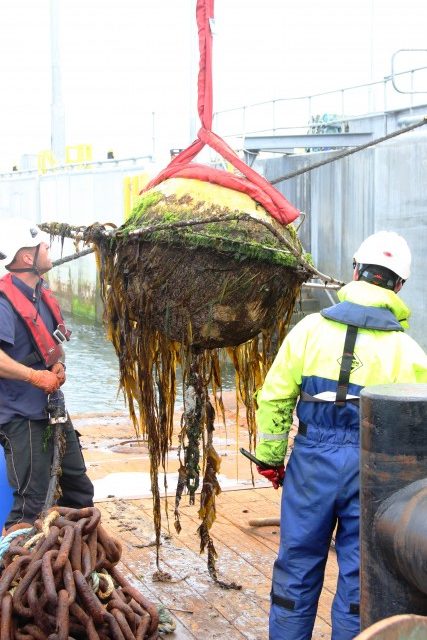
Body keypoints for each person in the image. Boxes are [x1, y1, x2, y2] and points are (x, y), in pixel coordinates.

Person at [255, 231, 427, 640]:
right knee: (361, 575)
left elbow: (275, 395)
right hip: (373, 472)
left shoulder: (309, 330)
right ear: (398, 286)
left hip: (312, 462)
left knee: (297, 566)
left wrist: (271, 459)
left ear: (355, 272)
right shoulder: (409, 352)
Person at [0, 218, 94, 531]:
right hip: (21, 415)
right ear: (28, 257)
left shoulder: (40, 293)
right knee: (31, 504)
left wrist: (58, 365)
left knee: (78, 489)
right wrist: (34, 377)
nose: (49, 249)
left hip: (52, 410)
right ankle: (15, 574)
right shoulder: (3, 302)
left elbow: (51, 342)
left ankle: (75, 559)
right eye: (44, 246)